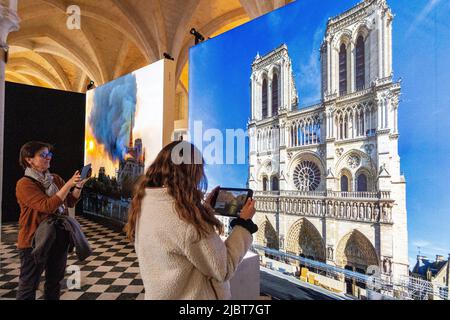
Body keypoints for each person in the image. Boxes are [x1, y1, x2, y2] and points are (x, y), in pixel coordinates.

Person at [125, 141, 258, 300]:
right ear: (191, 173)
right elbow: (223, 268)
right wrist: (244, 225)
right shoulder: (188, 219)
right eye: (199, 171)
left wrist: (205, 209)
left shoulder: (145, 201)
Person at [15, 141, 89, 300]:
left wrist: (78, 187)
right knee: (29, 285)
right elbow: (47, 206)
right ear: (29, 159)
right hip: (34, 241)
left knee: (54, 282)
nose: (48, 158)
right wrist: (69, 183)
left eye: (49, 154)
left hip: (58, 237)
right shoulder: (24, 184)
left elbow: (69, 201)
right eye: (43, 155)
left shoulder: (54, 178)